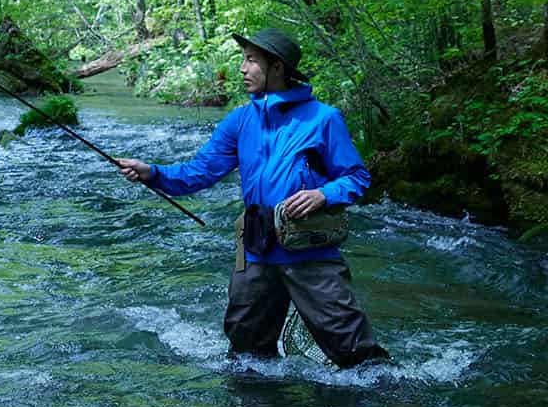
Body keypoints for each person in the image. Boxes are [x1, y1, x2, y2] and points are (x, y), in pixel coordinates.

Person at [112, 28, 390, 369]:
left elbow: (357, 178)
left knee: (354, 351)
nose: (243, 69)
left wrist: (324, 193)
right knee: (246, 353)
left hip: (310, 247)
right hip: (256, 247)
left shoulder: (323, 119)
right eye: (244, 59)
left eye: (251, 60)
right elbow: (200, 171)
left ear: (277, 67)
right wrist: (152, 173)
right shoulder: (240, 120)